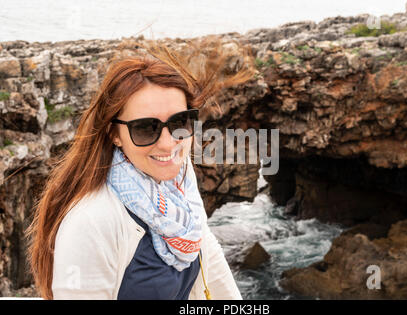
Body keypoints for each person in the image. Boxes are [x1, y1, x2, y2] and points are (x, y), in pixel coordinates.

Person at [26, 38, 254, 300]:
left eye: (180, 122)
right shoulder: (90, 223)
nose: (168, 144)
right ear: (114, 134)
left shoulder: (179, 176)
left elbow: (204, 245)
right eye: (146, 128)